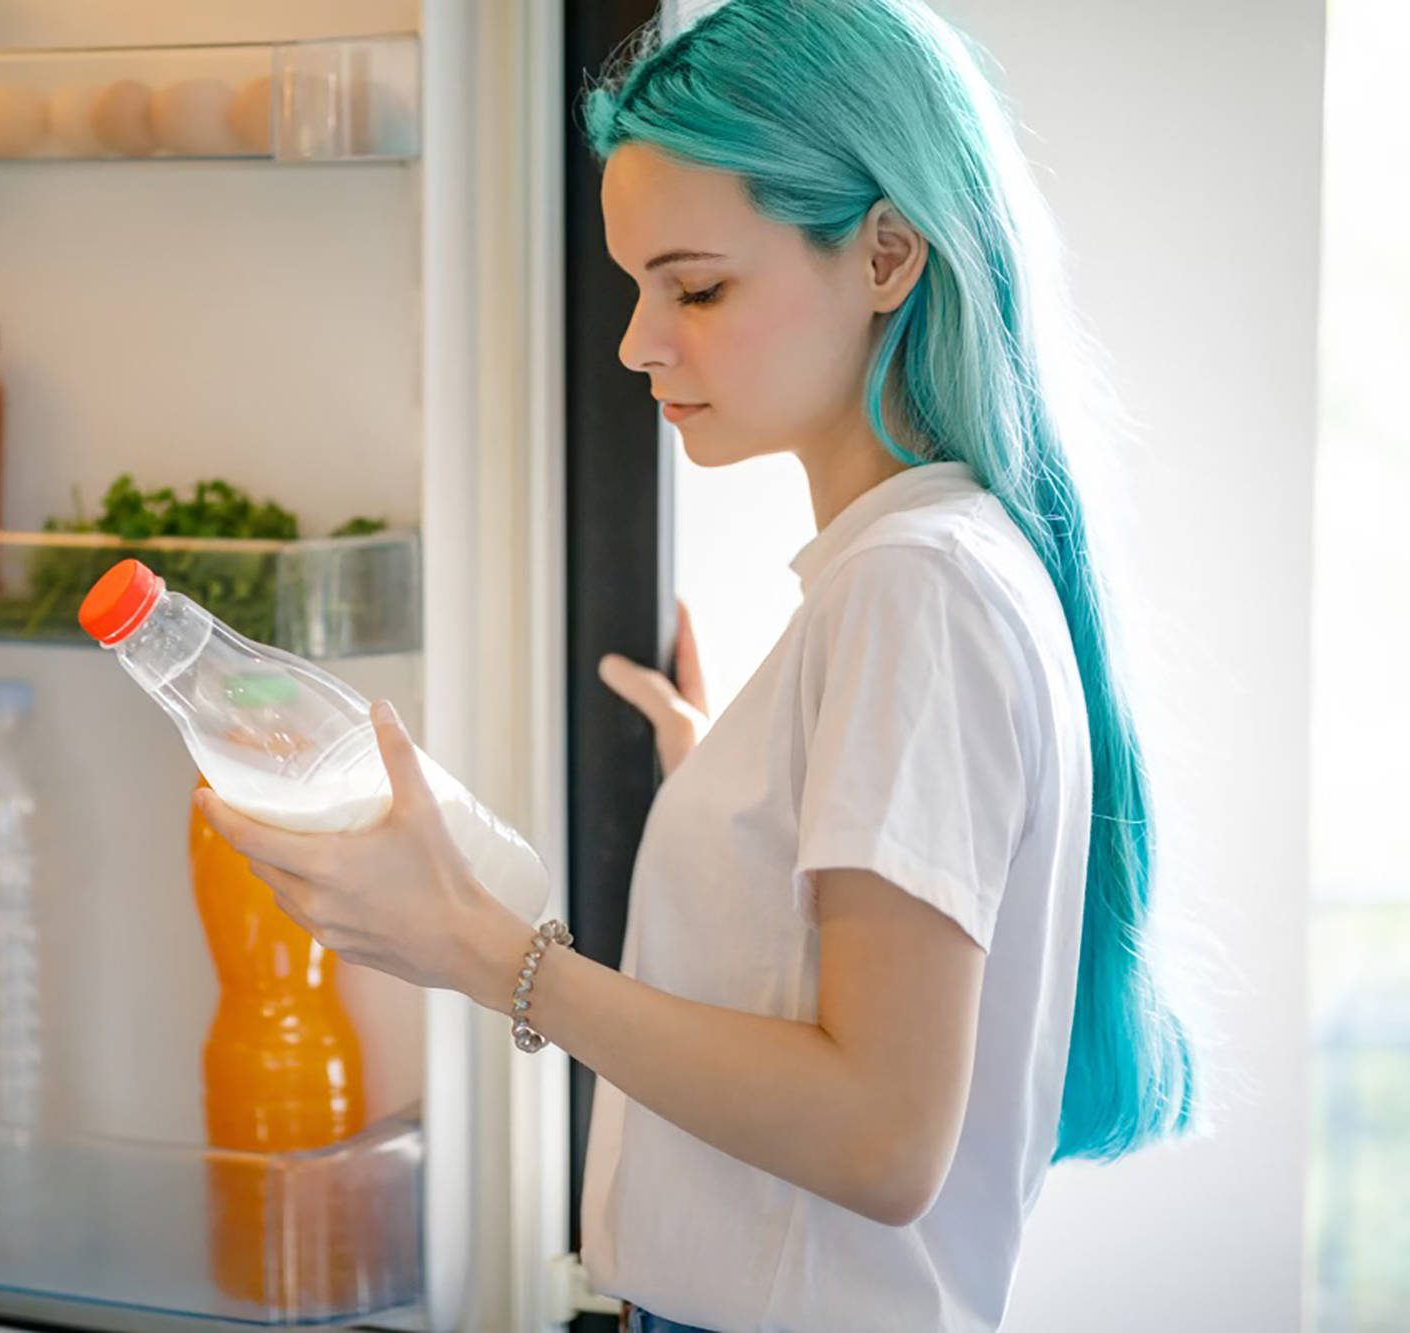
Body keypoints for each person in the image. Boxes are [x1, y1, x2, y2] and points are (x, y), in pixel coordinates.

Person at [194, 1, 1196, 1328]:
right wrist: (739, 791)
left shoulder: (916, 587)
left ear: (887, 253)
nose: (637, 341)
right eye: (638, 287)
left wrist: (491, 955)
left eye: (699, 287)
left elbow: (881, 1136)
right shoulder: (930, 567)